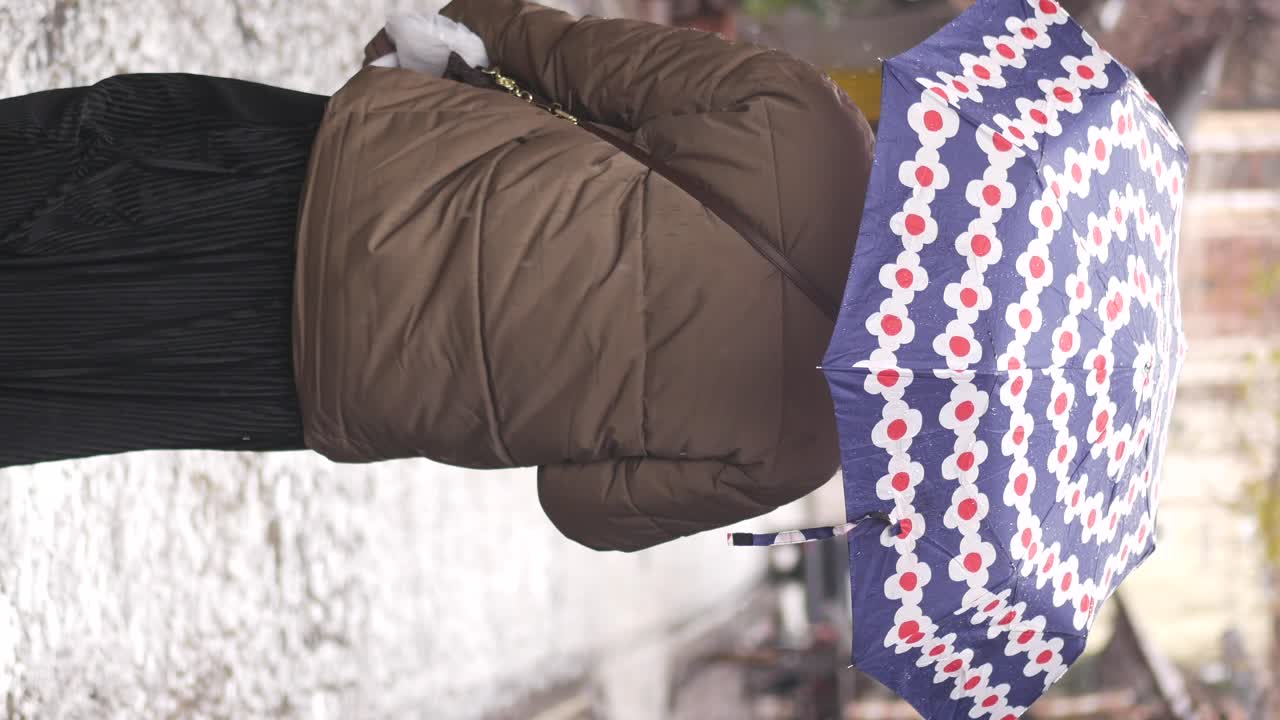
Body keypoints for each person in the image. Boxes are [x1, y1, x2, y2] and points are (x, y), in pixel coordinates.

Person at [1, 0, 874, 552]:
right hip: (338, 371)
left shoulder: (813, 119)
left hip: (347, 174)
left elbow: (550, 53)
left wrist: (453, 37)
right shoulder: (807, 445)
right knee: (55, 382)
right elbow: (581, 505)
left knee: (66, 167)